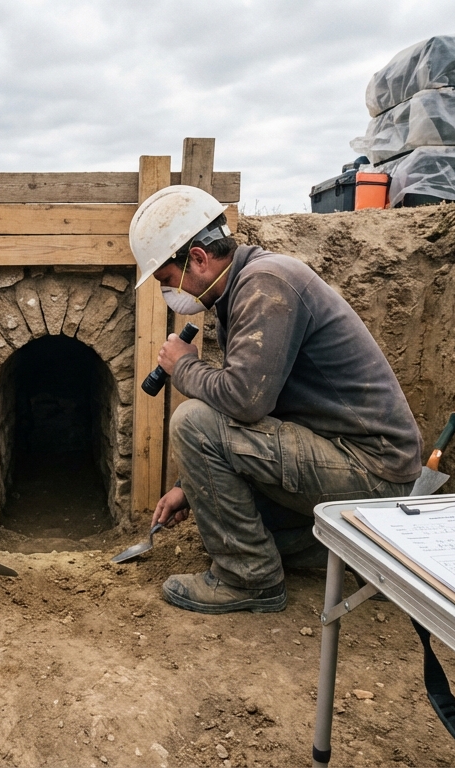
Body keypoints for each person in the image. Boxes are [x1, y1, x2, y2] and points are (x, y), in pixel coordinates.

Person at [129, 185, 422, 614]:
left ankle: (248, 578)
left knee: (192, 420)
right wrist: (187, 488)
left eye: (168, 280)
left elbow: (245, 402)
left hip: (371, 470)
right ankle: (335, 554)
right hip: (344, 456)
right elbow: (254, 413)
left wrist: (184, 367)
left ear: (197, 258)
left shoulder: (267, 286)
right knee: (245, 519)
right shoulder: (242, 289)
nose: (168, 293)